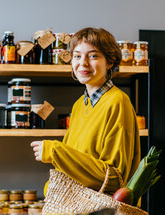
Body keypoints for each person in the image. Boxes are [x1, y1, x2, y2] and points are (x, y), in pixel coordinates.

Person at [31, 27, 140, 195]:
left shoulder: (117, 102)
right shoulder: (79, 105)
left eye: (93, 55)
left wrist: (55, 151)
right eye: (77, 56)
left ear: (110, 62)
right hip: (76, 212)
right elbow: (72, 168)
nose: (83, 63)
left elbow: (114, 180)